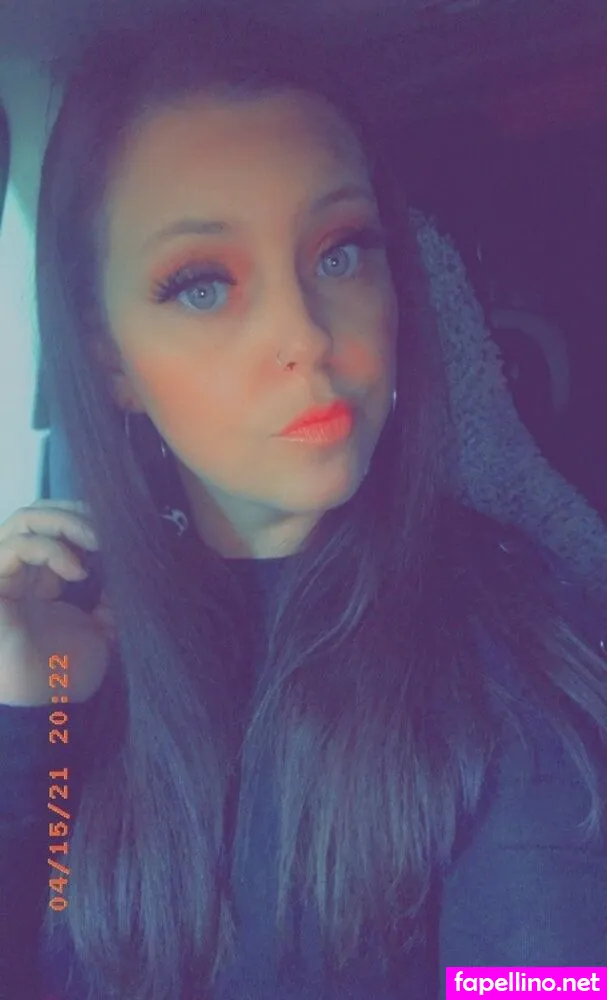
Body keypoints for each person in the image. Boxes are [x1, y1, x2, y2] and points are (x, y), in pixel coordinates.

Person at [1, 9, 606, 1000]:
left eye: (339, 251)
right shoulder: (76, 646)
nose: (305, 334)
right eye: (202, 284)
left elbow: (541, 973)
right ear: (109, 360)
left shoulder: (509, 637)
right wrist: (28, 716)